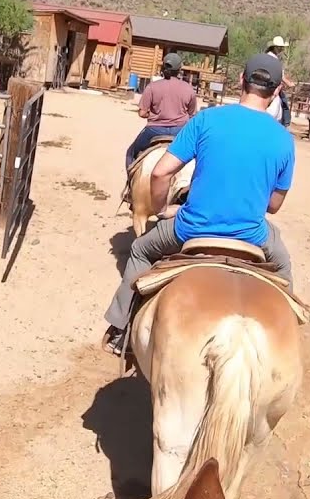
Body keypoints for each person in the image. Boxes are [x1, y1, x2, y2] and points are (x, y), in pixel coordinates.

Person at [102, 52, 296, 355]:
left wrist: (161, 209)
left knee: (140, 249)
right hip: (252, 235)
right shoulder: (284, 139)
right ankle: (286, 340)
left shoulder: (208, 119)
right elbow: (274, 205)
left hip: (190, 229)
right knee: (283, 265)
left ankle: (120, 327)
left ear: (241, 81)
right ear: (276, 91)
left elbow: (161, 171)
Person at [123, 53, 198, 173]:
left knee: (130, 153)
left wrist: (154, 114)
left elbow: (142, 113)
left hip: (154, 131)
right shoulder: (188, 89)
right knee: (197, 157)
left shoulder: (152, 87)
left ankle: (130, 185)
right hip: (179, 132)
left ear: (163, 68)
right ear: (179, 70)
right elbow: (192, 114)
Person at [266, 35, 296, 126]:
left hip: (266, 83)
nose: (282, 49)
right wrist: (289, 84)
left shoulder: (267, 56)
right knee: (284, 103)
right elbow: (280, 75)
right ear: (275, 47)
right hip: (273, 85)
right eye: (280, 47)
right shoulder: (274, 59)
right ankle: (285, 124)